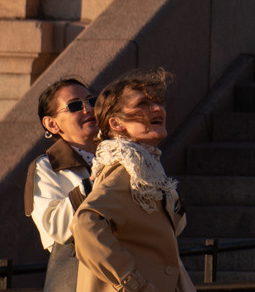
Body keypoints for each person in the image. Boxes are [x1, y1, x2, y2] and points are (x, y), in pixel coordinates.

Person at [73, 68, 192, 292]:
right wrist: (133, 283)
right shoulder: (126, 167)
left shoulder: (145, 167)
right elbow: (85, 223)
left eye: (157, 102)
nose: (157, 109)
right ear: (116, 124)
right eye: (142, 104)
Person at [24, 78, 98, 292]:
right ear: (52, 124)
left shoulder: (122, 154)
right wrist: (94, 183)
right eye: (75, 106)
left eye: (92, 101)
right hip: (81, 275)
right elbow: (58, 229)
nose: (88, 109)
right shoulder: (47, 167)